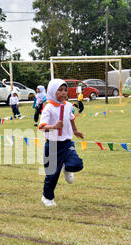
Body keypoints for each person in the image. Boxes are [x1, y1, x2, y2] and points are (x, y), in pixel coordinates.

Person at [38, 79, 85, 207]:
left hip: (67, 143)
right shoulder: (48, 108)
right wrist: (53, 126)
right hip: (52, 145)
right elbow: (41, 126)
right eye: (60, 90)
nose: (64, 93)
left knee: (77, 164)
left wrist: (75, 131)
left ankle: (66, 168)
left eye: (65, 90)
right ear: (52, 91)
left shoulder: (68, 105)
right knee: (51, 175)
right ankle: (47, 197)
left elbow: (71, 118)